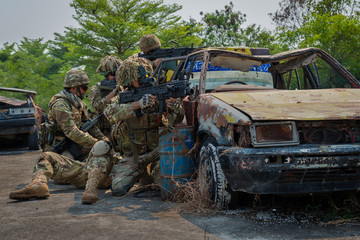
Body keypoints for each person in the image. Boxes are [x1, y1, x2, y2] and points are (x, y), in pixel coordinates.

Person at [9, 70, 116, 204]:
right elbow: (71, 132)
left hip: (77, 149)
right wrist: (97, 144)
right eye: (83, 88)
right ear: (73, 88)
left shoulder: (78, 103)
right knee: (47, 159)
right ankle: (39, 185)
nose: (85, 91)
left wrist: (103, 140)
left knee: (100, 155)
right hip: (63, 148)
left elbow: (89, 125)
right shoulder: (60, 104)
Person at [102, 57, 184, 196]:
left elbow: (175, 122)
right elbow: (110, 114)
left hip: (157, 153)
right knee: (118, 188)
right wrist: (138, 104)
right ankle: (143, 174)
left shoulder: (158, 94)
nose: (143, 81)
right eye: (139, 79)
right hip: (134, 157)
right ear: (129, 81)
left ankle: (151, 174)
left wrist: (174, 108)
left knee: (165, 185)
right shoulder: (122, 97)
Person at [89, 55, 123, 138]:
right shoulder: (97, 89)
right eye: (112, 74)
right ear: (106, 75)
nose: (115, 76)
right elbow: (97, 107)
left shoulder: (126, 84)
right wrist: (114, 92)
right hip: (107, 132)